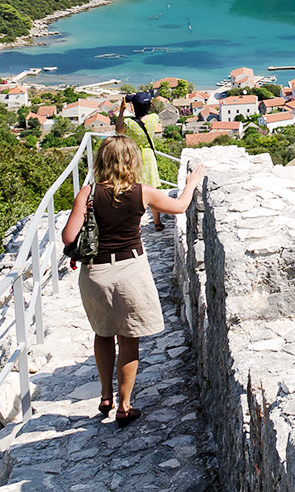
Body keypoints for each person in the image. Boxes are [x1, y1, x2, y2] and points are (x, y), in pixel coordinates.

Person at [62, 135, 203, 427]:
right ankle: (124, 406)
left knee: (102, 333)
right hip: (130, 270)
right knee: (129, 338)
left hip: (96, 273)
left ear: (101, 160)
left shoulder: (87, 194)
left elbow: (68, 238)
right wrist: (190, 184)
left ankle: (104, 395)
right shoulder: (143, 193)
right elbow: (179, 207)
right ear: (132, 161)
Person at [115, 91, 174, 231]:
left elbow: (118, 130)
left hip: (133, 157)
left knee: (134, 192)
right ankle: (157, 223)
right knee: (151, 190)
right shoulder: (154, 118)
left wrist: (122, 110)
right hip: (148, 155)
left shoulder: (129, 123)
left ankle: (135, 225)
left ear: (134, 107)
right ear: (149, 106)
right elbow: (148, 113)